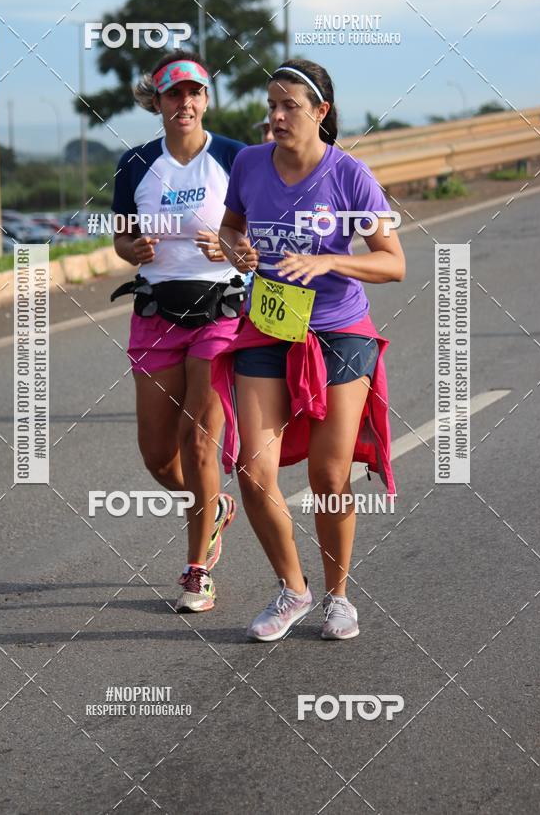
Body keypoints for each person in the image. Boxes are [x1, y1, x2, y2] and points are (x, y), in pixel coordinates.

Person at [216, 58, 405, 641]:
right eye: (270, 105)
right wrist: (236, 251)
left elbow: (392, 262)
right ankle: (292, 590)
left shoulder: (349, 175)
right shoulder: (249, 163)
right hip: (270, 325)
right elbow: (231, 227)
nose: (274, 117)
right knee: (253, 469)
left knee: (328, 474)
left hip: (339, 331)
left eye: (288, 106)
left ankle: (338, 597)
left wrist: (329, 259)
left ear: (320, 113)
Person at [111, 51, 246, 613]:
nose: (185, 102)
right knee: (157, 454)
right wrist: (132, 248)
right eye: (174, 94)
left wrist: (232, 248)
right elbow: (119, 240)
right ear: (158, 103)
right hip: (156, 313)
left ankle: (197, 570)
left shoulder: (237, 159)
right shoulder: (136, 163)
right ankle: (212, 505)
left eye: (195, 93)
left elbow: (256, 242)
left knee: (198, 443)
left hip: (220, 311)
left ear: (206, 100)